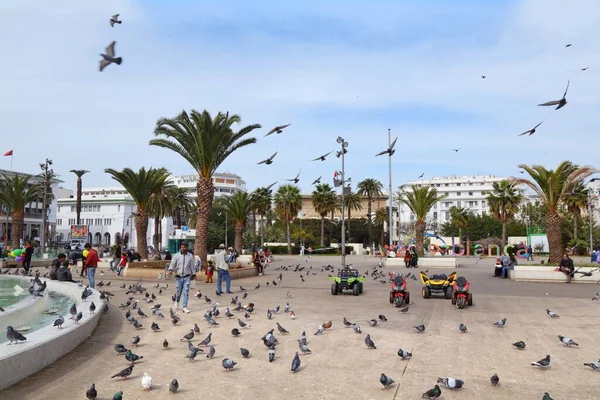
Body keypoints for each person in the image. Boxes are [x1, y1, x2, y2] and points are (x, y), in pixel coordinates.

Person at [167, 242, 197, 313]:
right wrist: (170, 270)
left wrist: (194, 274)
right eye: (182, 247)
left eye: (184, 247)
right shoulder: (176, 255)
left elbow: (192, 266)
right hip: (178, 277)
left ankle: (185, 307)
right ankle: (177, 301)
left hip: (187, 277)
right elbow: (172, 263)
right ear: (180, 247)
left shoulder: (190, 256)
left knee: (186, 292)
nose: (183, 248)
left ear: (187, 248)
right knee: (178, 292)